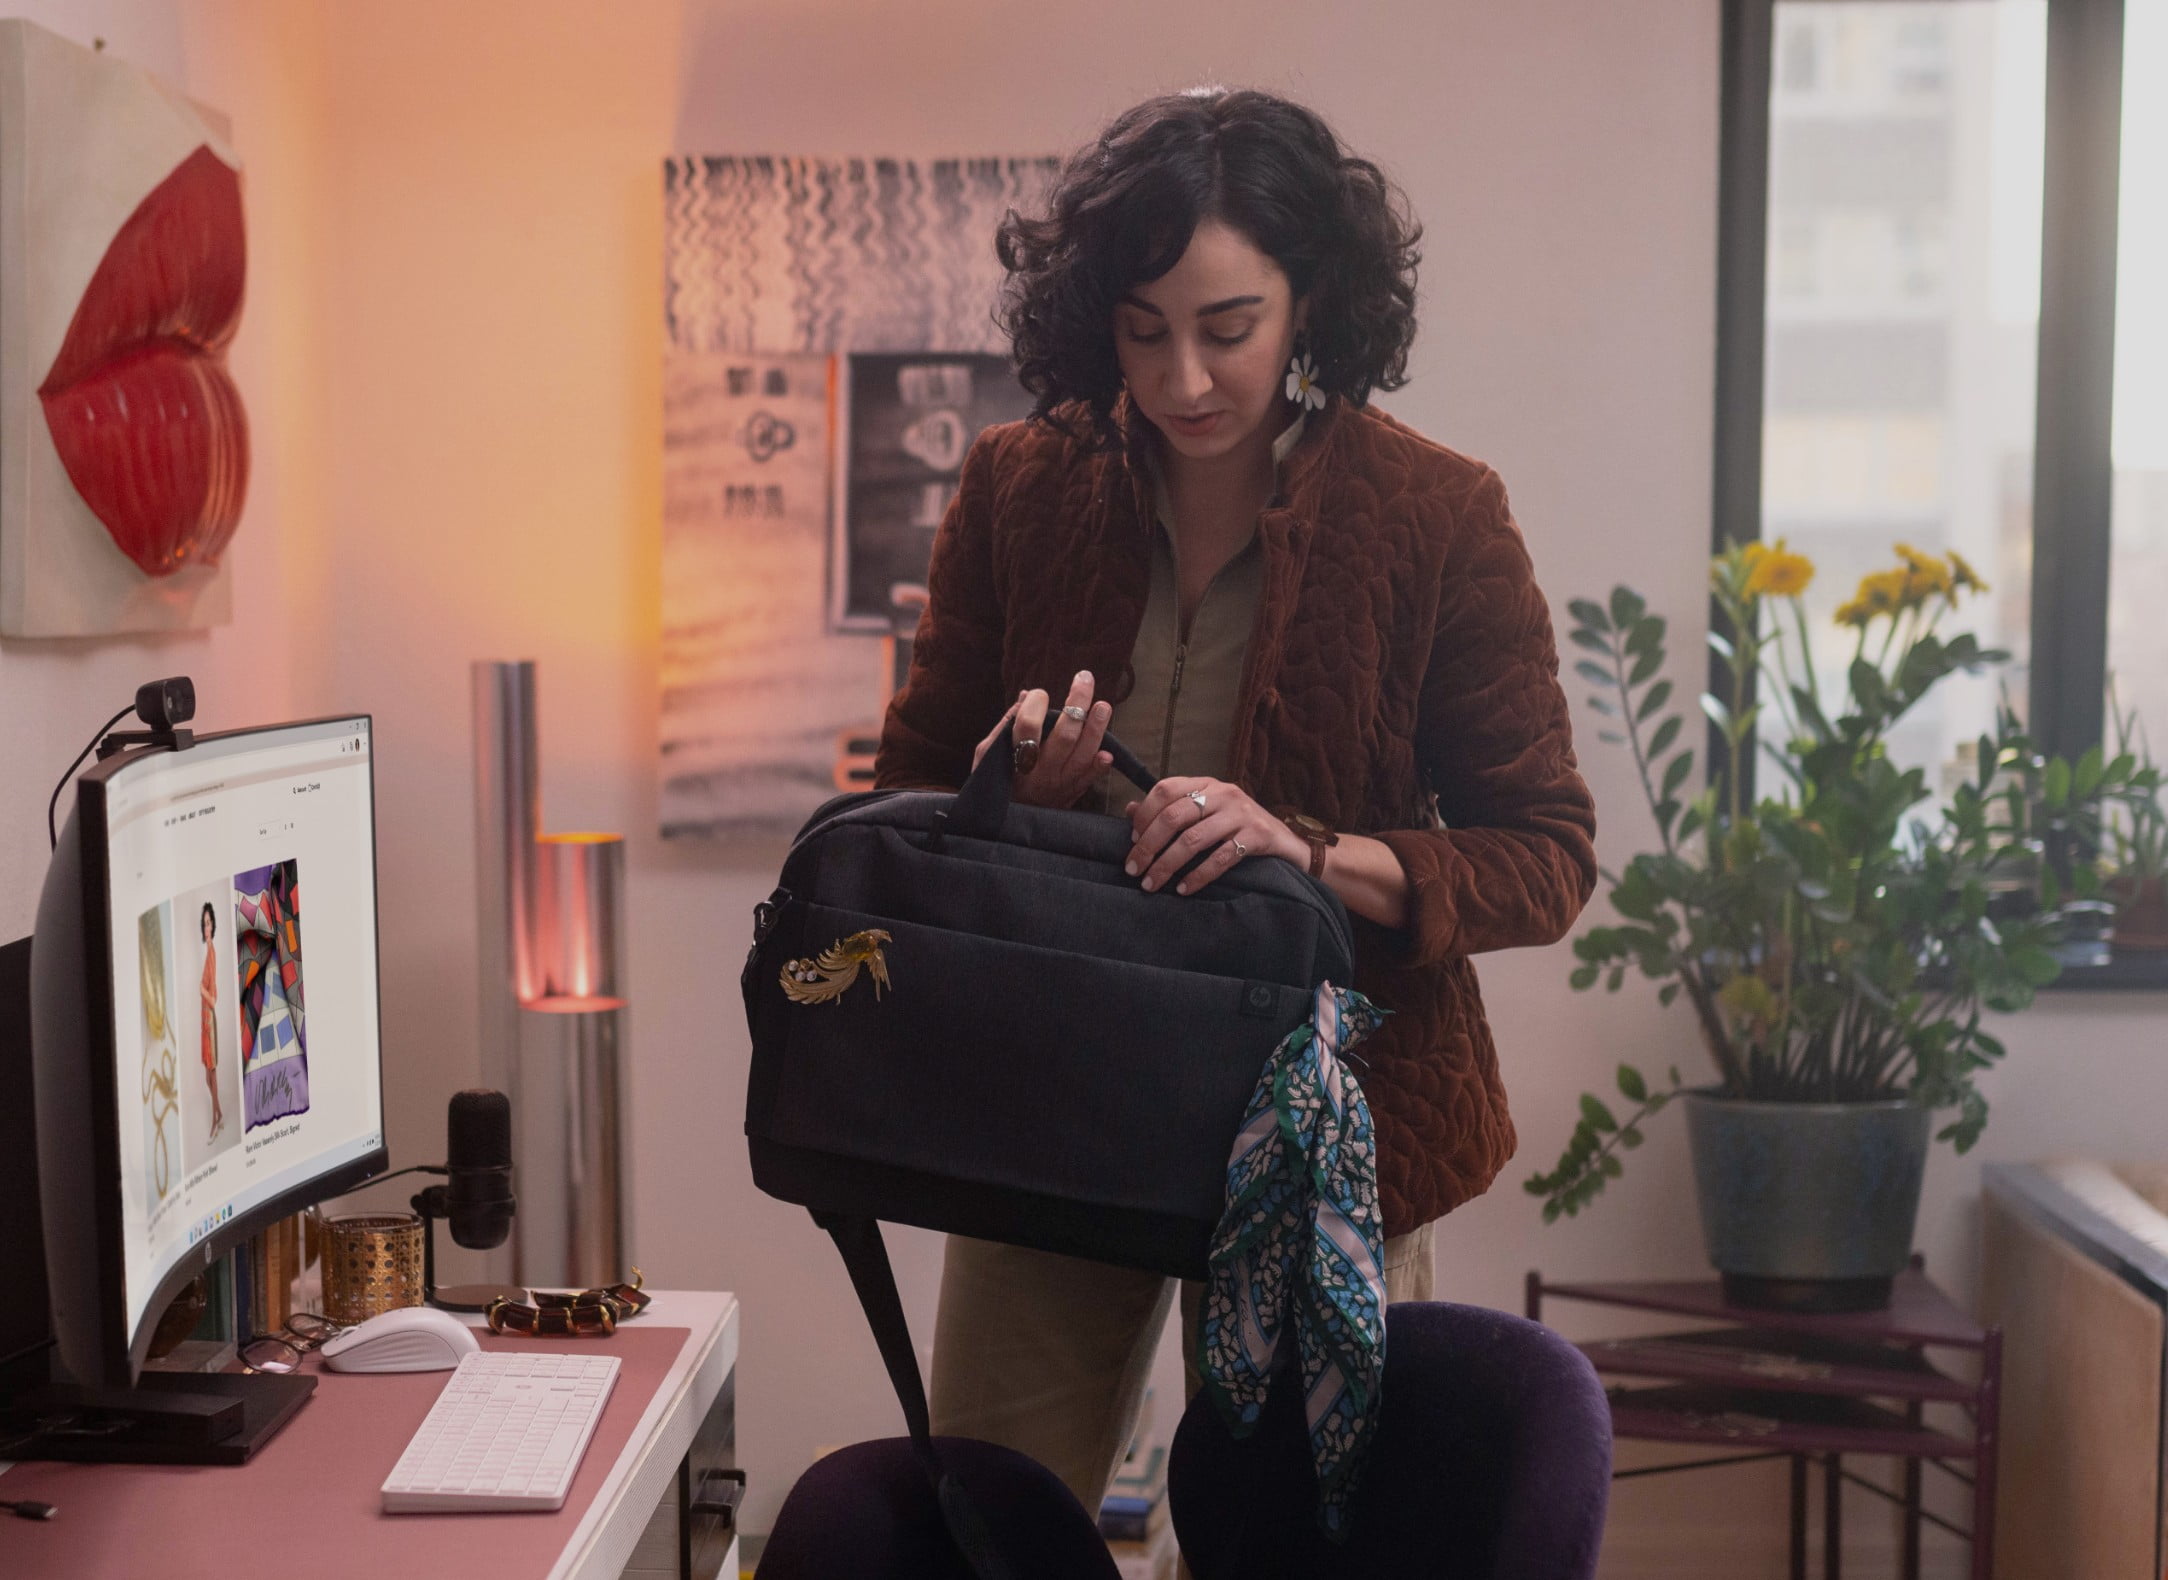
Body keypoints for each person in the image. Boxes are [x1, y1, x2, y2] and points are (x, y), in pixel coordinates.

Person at [874, 86, 1598, 1514]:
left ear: (1313, 299)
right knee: (984, 1525)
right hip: (1052, 1109)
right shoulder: (1021, 486)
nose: (1184, 378)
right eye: (1144, 332)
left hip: (1324, 1133)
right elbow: (907, 801)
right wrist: (1014, 795)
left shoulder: (1436, 514)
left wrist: (1308, 855)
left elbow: (1547, 855)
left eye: (1228, 328)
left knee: (1297, 1549)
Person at [200, 901, 224, 1141]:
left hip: (209, 1019)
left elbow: (214, 998)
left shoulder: (212, 952)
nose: (207, 926)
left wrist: (201, 990)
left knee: (212, 1074)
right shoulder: (208, 951)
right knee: (207, 1075)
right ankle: (219, 1113)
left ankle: (216, 1119)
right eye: (204, 923)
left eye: (209, 922)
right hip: (203, 1020)